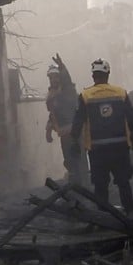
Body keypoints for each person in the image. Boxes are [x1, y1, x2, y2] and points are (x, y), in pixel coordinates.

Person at [70, 58, 133, 213]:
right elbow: (131, 117)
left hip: (97, 149)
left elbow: (78, 121)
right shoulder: (121, 92)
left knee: (100, 184)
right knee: (123, 181)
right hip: (120, 146)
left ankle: (103, 214)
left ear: (93, 76)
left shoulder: (85, 95)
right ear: (108, 74)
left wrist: (74, 140)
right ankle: (130, 211)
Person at [44, 54, 84, 183]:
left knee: (79, 160)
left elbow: (67, 80)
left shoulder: (67, 90)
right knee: (68, 161)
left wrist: (62, 67)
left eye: (56, 76)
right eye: (51, 77)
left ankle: (84, 186)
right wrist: (49, 130)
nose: (53, 79)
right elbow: (53, 114)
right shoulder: (52, 95)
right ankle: (75, 185)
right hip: (64, 134)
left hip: (75, 132)